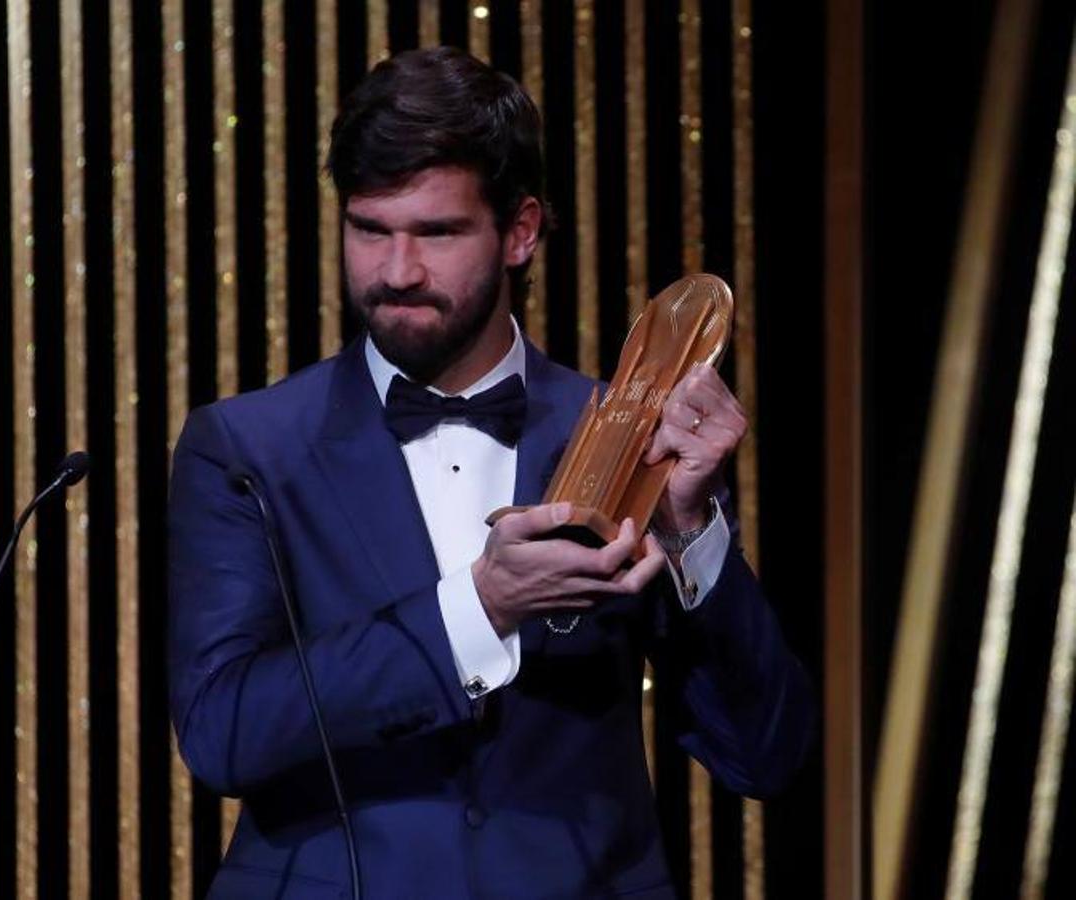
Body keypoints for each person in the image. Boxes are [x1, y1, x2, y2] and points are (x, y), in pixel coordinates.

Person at [168, 46, 812, 899]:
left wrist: (692, 531)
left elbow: (763, 755)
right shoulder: (246, 446)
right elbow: (224, 733)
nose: (396, 271)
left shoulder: (621, 428)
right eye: (369, 230)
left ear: (520, 231)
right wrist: (481, 607)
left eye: (436, 232)